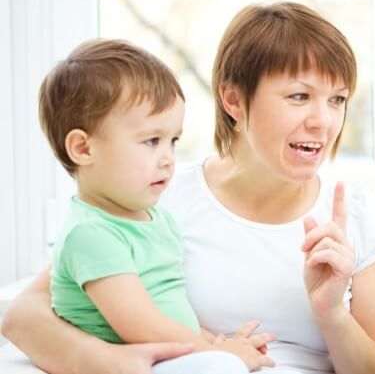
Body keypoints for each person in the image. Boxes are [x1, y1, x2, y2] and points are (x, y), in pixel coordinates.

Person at [2, 2, 375, 374]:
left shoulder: (358, 214)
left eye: (337, 99)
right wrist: (116, 363)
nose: (324, 121)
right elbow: (23, 316)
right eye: (300, 96)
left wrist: (332, 313)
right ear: (233, 100)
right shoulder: (157, 196)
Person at [36, 38, 274, 373]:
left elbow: (172, 311)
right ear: (83, 149)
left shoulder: (156, 218)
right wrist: (223, 354)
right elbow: (140, 325)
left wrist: (218, 343)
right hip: (132, 359)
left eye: (172, 141)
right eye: (151, 141)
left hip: (164, 353)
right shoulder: (91, 234)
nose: (167, 159)